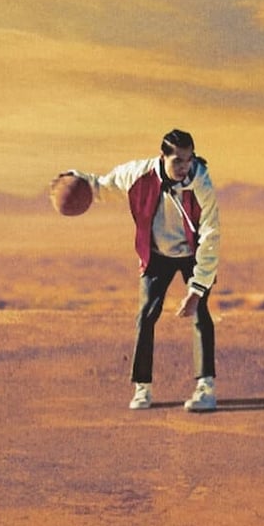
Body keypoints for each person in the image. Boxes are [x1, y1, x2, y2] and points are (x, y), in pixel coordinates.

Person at [64, 130, 222, 412]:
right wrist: (74, 178)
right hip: (157, 254)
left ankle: (205, 387)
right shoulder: (138, 173)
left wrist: (197, 289)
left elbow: (210, 236)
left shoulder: (202, 184)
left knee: (201, 313)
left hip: (192, 253)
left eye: (189, 159)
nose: (185, 166)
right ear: (163, 157)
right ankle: (142, 388)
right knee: (146, 316)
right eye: (178, 161)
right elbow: (102, 186)